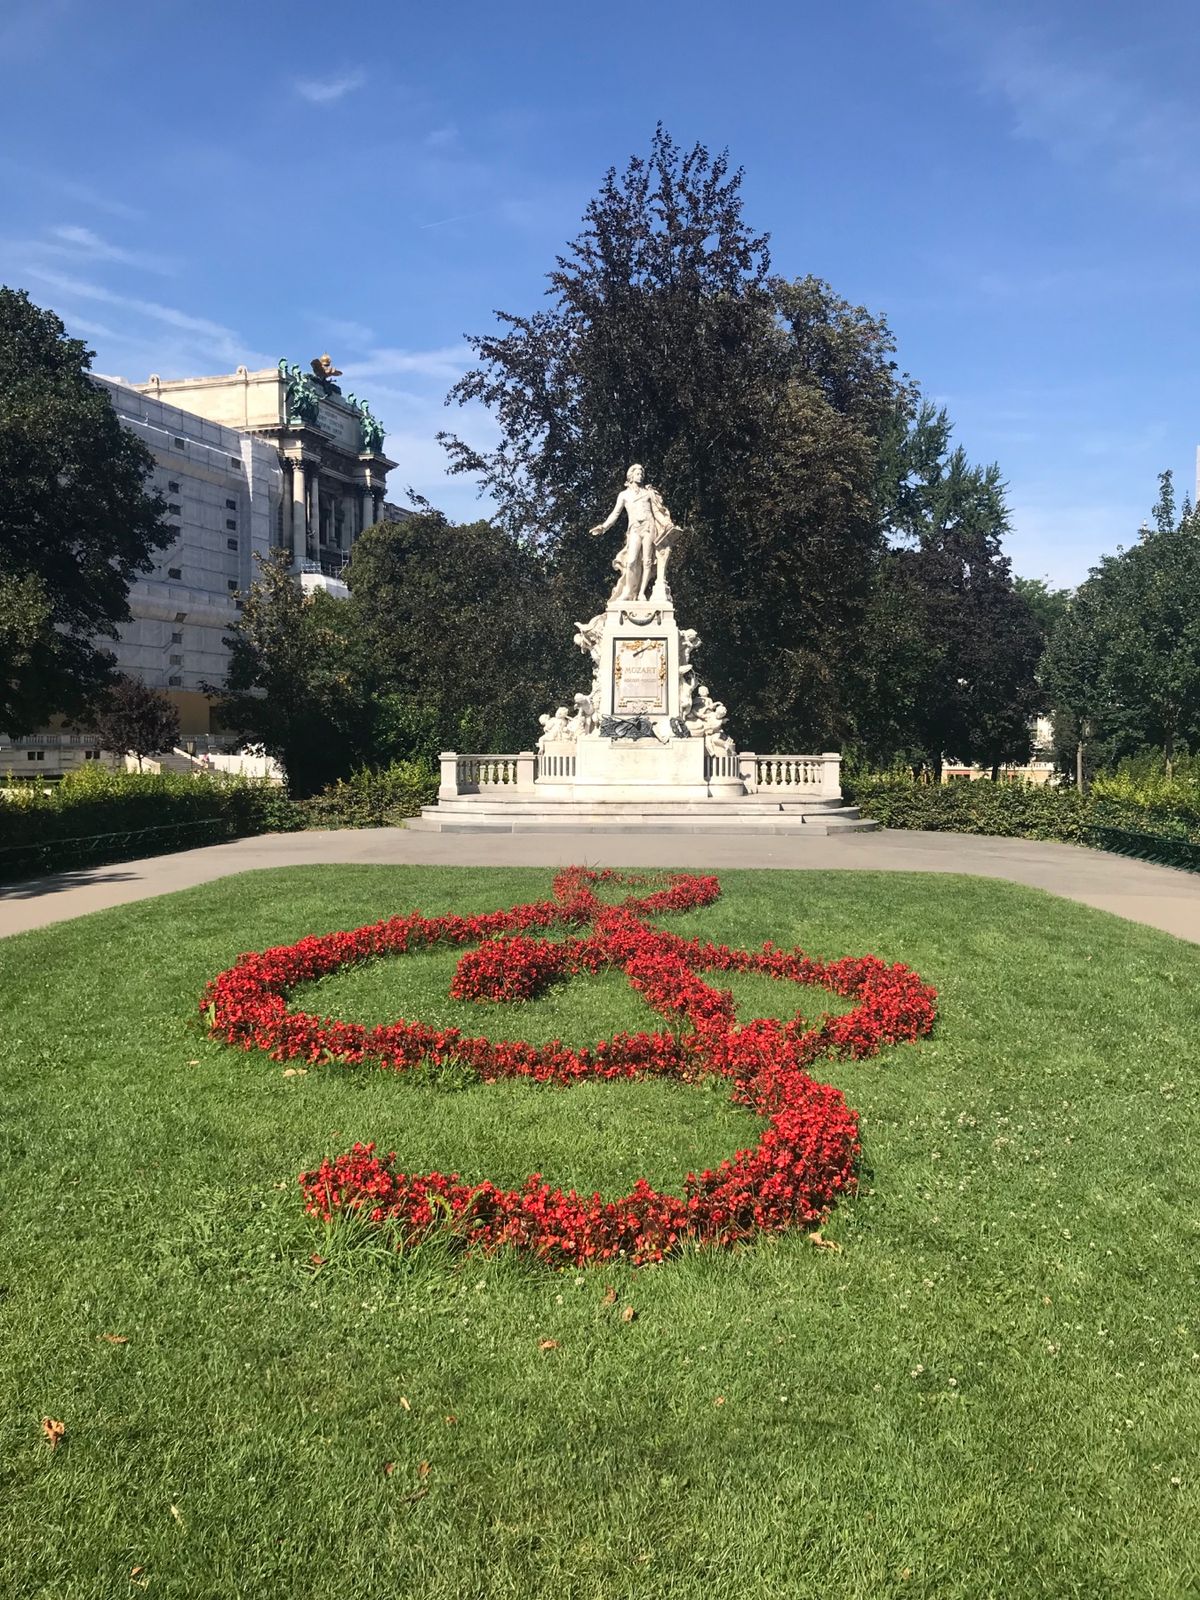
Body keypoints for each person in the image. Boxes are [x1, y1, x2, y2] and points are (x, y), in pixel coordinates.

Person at [590, 464, 681, 603]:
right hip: (634, 529)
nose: (641, 476)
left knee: (647, 561)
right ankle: (629, 591)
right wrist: (603, 527)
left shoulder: (648, 493)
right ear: (631, 476)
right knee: (632, 561)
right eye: (638, 473)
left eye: (642, 473)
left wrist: (666, 524)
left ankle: (642, 593)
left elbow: (657, 513)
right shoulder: (624, 495)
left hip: (649, 527)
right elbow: (615, 514)